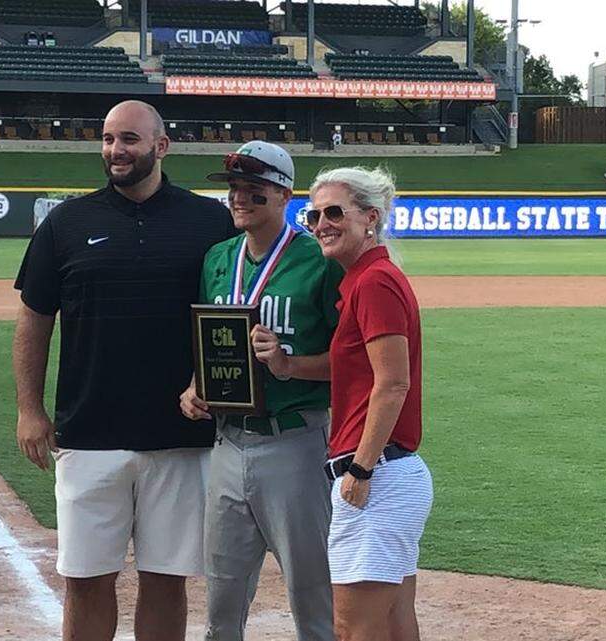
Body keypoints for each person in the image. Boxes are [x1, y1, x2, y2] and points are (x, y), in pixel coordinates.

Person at [13, 100, 235, 641]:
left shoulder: (210, 221)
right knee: (85, 580)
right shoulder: (66, 222)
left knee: (166, 580)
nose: (116, 150)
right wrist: (29, 409)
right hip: (90, 433)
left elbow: (231, 312)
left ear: (162, 146)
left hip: (182, 437)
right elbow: (34, 320)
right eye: (109, 138)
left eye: (130, 139)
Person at [179, 141, 340, 641]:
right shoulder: (218, 258)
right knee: (222, 599)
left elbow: (354, 362)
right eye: (233, 188)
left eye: (254, 189)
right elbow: (212, 344)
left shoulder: (319, 259)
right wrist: (194, 388)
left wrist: (290, 365)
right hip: (228, 443)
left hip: (295, 440)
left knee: (312, 594)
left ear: (284, 194)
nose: (239, 198)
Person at [307, 166, 432, 641]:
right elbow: (359, 369)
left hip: (376, 473)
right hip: (392, 473)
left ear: (370, 218)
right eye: (313, 215)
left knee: (353, 628)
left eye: (334, 212)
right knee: (394, 621)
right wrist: (288, 365)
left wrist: (360, 470)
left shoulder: (374, 281)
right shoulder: (367, 278)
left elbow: (392, 383)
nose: (322, 224)